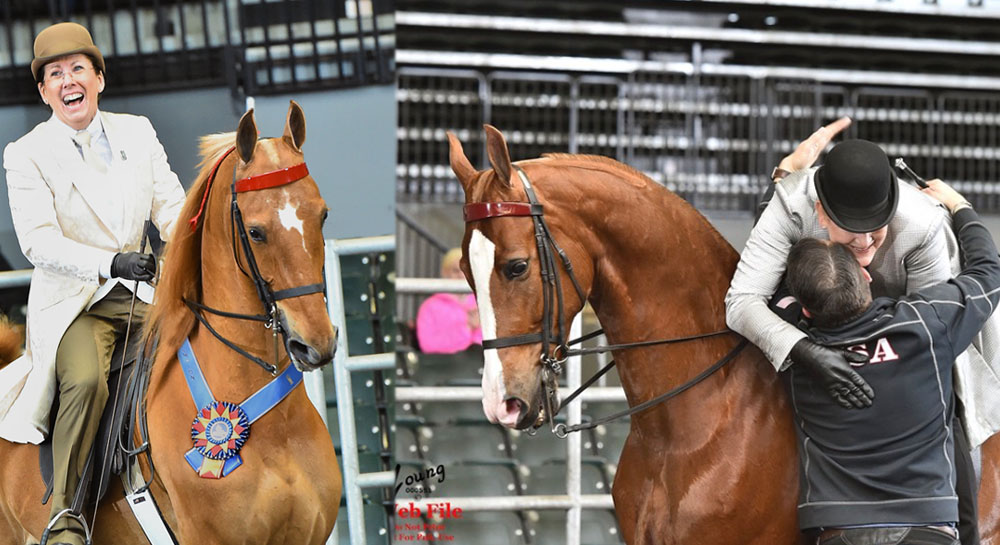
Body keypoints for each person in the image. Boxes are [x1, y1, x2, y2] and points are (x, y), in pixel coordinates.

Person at [726, 129, 1000, 545]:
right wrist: (804, 350)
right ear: (819, 213)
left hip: (898, 313)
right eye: (851, 230)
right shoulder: (789, 207)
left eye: (876, 227)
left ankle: (964, 524)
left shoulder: (921, 222)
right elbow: (743, 302)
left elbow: (932, 326)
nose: (866, 241)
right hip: (817, 325)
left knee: (948, 406)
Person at [0, 22, 186, 545]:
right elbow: (37, 242)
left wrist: (194, 243)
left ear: (99, 78)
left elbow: (171, 208)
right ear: (43, 92)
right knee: (84, 380)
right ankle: (66, 513)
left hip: (147, 293)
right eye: (54, 74)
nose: (67, 81)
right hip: (78, 304)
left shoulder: (138, 131)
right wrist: (112, 263)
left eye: (77, 68)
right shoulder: (25, 152)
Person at [416, 248, 482, 354]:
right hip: (444, 367)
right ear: (445, 273)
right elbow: (428, 345)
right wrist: (467, 328)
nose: (461, 275)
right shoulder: (429, 307)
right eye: (456, 271)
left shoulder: (484, 303)